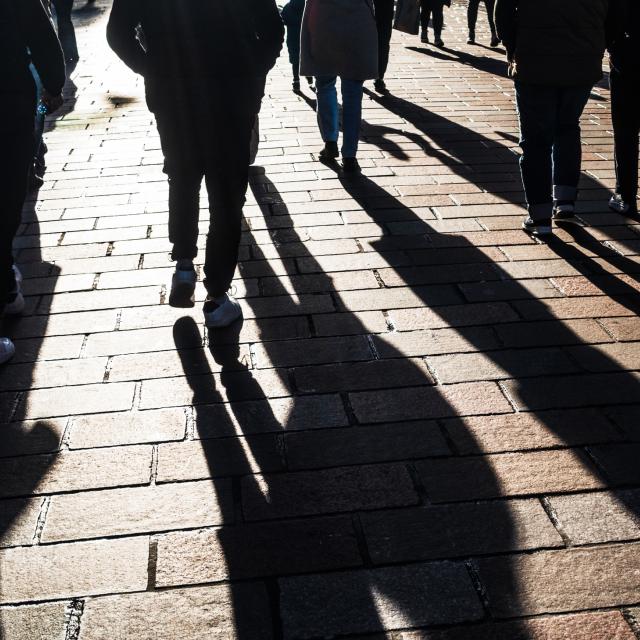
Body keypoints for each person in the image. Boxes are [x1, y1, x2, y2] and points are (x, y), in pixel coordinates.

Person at [107, 0, 283, 328]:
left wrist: (154, 67)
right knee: (227, 196)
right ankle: (217, 297)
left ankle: (184, 264)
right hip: (231, 92)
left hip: (174, 94)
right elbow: (272, 29)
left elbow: (117, 34)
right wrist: (253, 70)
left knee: (183, 179)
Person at [496, 0, 621, 236]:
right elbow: (615, 16)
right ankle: (564, 201)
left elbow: (503, 12)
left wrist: (514, 47)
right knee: (567, 128)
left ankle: (540, 215)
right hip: (581, 62)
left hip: (534, 62)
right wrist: (596, 46)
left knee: (535, 141)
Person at [0, 0, 65, 364]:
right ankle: (7, 285)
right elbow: (39, 30)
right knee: (7, 195)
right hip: (7, 94)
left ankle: (7, 283)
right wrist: (53, 83)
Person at [300, 0, 379, 174]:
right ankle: (349, 155)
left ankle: (330, 141)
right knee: (353, 92)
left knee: (325, 83)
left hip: (323, 17)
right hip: (357, 20)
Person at [609, 0, 639, 217]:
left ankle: (626, 195)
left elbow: (613, 16)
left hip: (629, 58)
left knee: (625, 130)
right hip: (627, 54)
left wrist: (612, 45)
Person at [281, 0, 313, 93]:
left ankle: (296, 81)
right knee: (306, 57)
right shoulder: (307, 6)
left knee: (295, 60)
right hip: (306, 37)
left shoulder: (288, 7)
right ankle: (309, 76)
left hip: (292, 37)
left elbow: (284, 20)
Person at [373, 0, 394, 93]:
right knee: (383, 44)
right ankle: (379, 78)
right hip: (384, 10)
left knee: (382, 44)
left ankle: (378, 77)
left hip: (365, 9)